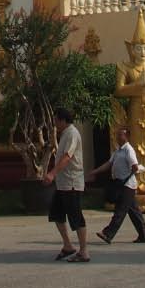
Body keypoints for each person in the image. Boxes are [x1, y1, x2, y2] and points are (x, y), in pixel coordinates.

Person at [89, 125, 145, 245]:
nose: (117, 137)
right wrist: (95, 171)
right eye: (117, 134)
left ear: (126, 136)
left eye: (120, 134)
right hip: (120, 183)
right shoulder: (118, 151)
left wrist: (126, 178)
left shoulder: (129, 150)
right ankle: (144, 235)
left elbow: (134, 166)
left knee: (120, 211)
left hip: (127, 185)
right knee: (134, 212)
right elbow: (109, 164)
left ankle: (108, 233)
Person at [45, 109, 89, 262]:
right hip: (62, 184)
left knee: (76, 217)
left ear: (63, 120)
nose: (55, 124)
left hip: (72, 183)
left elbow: (67, 157)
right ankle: (68, 245)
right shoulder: (64, 134)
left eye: (56, 120)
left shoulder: (72, 133)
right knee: (56, 214)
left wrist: (52, 173)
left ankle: (84, 252)